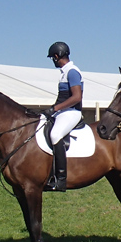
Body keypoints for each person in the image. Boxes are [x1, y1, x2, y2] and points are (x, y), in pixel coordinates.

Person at [42, 41, 84, 192]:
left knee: (55, 135)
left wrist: (54, 109)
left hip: (72, 112)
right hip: (62, 111)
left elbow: (76, 97)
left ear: (56, 56)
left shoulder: (72, 71)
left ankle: (60, 179)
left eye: (52, 58)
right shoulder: (64, 73)